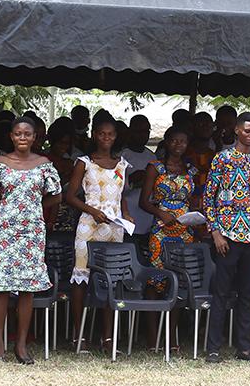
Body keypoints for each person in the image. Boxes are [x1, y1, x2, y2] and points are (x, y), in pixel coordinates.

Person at [0, 117, 61, 364]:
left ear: (35, 137)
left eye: (28, 134)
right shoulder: (0, 163)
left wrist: (34, 208)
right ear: (11, 137)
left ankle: (22, 345)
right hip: (5, 230)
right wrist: (5, 205)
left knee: (28, 288)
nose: (22, 138)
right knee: (1, 286)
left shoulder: (45, 164)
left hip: (32, 232)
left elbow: (56, 197)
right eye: (18, 133)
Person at [204, 111, 250, 364]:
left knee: (247, 294)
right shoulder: (223, 157)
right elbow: (209, 198)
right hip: (228, 235)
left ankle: (244, 349)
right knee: (221, 293)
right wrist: (216, 232)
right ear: (238, 131)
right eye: (249, 131)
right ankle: (213, 349)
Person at [66, 113, 133, 354]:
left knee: (112, 281)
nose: (107, 138)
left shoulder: (122, 163)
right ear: (95, 134)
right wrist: (92, 211)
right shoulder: (84, 162)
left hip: (114, 228)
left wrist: (126, 212)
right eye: (102, 133)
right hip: (89, 227)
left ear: (116, 137)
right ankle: (80, 336)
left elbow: (120, 194)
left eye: (111, 134)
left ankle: (107, 338)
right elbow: (70, 196)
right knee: (81, 278)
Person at [138, 126, 197, 352]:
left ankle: (171, 336)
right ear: (167, 142)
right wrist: (161, 213)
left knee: (179, 281)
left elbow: (190, 199)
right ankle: (152, 337)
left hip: (184, 232)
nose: (178, 145)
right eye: (174, 141)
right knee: (156, 280)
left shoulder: (188, 169)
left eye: (182, 141)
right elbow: (144, 201)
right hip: (161, 231)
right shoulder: (155, 167)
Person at [119, 115, 156, 258]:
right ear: (130, 131)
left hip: (147, 215)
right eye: (138, 130)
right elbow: (114, 187)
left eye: (146, 130)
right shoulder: (122, 156)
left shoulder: (152, 157)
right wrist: (131, 179)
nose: (142, 134)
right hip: (128, 213)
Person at [45, 119, 77, 233]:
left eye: (66, 143)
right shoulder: (42, 161)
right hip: (46, 211)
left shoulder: (69, 163)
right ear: (52, 141)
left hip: (67, 213)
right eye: (60, 143)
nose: (64, 146)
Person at [184, 112, 216, 212]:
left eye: (208, 125)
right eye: (200, 124)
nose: (205, 128)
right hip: (186, 211)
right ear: (192, 128)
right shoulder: (184, 155)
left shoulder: (216, 157)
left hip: (210, 212)